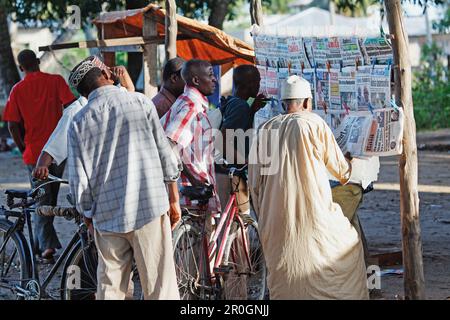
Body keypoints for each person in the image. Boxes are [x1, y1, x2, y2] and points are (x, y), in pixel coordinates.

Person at [67, 58, 181, 300]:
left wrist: (89, 216)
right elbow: (165, 155)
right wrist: (174, 198)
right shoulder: (139, 102)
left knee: (110, 290)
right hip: (148, 208)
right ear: (106, 74)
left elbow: (79, 183)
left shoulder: (78, 121)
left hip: (107, 217)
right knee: (160, 288)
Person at [248, 75, 368, 299]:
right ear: (306, 103)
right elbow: (341, 171)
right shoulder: (313, 123)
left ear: (284, 104)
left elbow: (254, 182)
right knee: (349, 245)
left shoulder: (265, 129)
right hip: (314, 216)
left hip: (275, 220)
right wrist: (353, 163)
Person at [2, 49, 76, 261]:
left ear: (21, 67)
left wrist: (23, 145)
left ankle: (43, 245)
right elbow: (72, 106)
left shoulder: (18, 89)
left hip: (35, 153)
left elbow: (12, 125)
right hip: (58, 150)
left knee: (43, 197)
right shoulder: (56, 81)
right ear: (37, 62)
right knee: (47, 197)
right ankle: (45, 246)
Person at [32, 56, 135, 180]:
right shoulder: (76, 111)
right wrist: (41, 165)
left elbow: (129, 90)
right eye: (108, 71)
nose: (112, 74)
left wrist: (123, 71)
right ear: (105, 75)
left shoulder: (118, 96)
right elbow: (55, 144)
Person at [161, 59, 221, 216]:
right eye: (210, 75)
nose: (214, 79)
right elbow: (168, 144)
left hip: (189, 194)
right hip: (189, 196)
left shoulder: (186, 100)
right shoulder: (192, 107)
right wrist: (194, 180)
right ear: (196, 80)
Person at [216, 65, 266, 215]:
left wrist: (251, 109)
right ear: (250, 85)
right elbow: (222, 140)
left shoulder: (233, 101)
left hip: (223, 170)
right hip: (232, 174)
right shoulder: (241, 107)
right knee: (240, 223)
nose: (259, 85)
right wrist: (244, 162)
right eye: (258, 82)